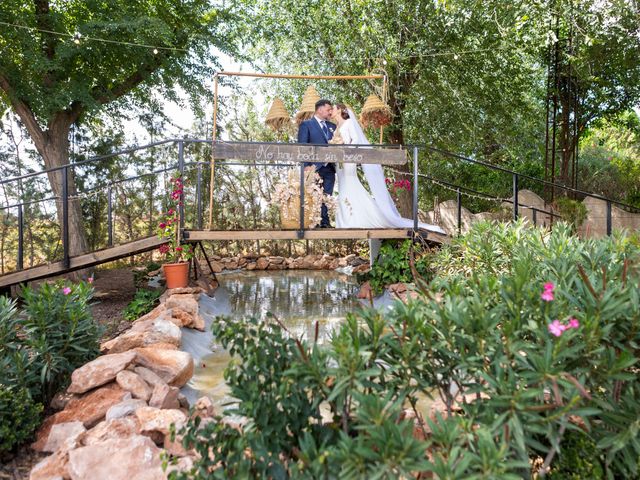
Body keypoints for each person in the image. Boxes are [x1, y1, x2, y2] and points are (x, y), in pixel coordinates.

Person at [331, 103, 445, 234]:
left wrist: (345, 149)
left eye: (333, 108)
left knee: (351, 184)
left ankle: (357, 219)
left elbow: (355, 139)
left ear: (339, 110)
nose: (331, 111)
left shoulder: (349, 123)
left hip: (348, 159)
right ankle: (345, 220)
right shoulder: (337, 127)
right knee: (343, 186)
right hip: (339, 161)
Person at [297, 99, 337, 228]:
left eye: (331, 110)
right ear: (319, 110)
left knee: (327, 195)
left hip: (330, 167)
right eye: (328, 109)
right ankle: (314, 222)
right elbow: (302, 146)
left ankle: (325, 222)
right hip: (313, 167)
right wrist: (306, 166)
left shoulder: (333, 127)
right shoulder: (306, 125)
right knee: (314, 195)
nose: (330, 112)